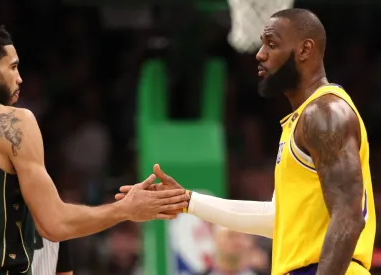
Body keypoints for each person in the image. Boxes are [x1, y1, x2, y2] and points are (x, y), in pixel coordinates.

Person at [0, 21, 190, 275]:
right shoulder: (10, 122)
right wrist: (125, 210)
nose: (20, 78)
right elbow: (54, 224)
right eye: (13, 67)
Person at [116, 8, 376, 275]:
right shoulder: (304, 119)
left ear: (304, 50)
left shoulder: (325, 114)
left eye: (272, 44)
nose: (260, 54)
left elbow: (349, 217)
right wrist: (188, 201)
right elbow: (278, 218)